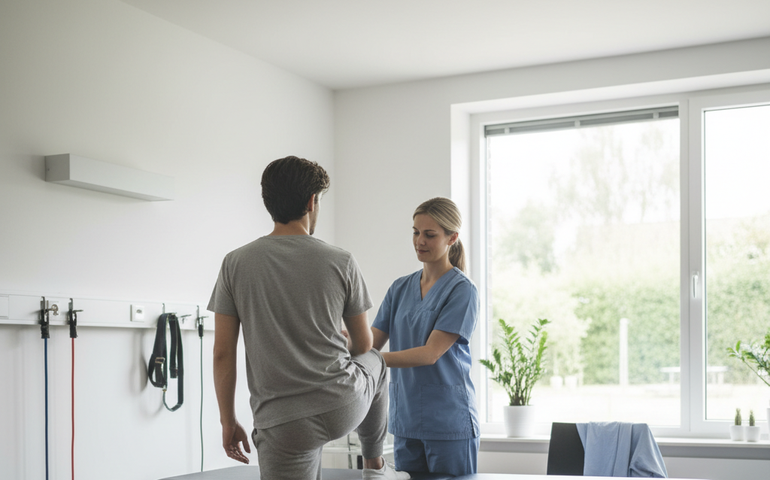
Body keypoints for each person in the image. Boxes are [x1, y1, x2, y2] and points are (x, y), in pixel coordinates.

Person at [208, 156, 409, 480]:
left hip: (280, 423)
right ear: (311, 201)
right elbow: (363, 344)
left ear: (268, 202)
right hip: (340, 404)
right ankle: (374, 468)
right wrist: (339, 338)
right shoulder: (340, 260)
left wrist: (228, 421)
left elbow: (222, 353)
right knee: (377, 360)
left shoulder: (235, 263)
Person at [371, 197, 480, 476]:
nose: (420, 240)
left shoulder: (462, 290)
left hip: (448, 423)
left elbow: (430, 353)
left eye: (430, 234)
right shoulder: (400, 288)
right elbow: (370, 341)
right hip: (406, 421)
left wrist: (372, 360)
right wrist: (338, 341)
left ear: (451, 238)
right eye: (416, 232)